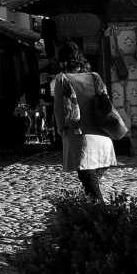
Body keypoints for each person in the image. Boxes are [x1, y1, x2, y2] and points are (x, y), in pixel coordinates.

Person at [52, 41, 116, 201]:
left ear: (62, 61)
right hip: (103, 138)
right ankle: (92, 208)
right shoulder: (95, 77)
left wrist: (61, 130)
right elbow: (106, 104)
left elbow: (59, 110)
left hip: (80, 137)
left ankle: (100, 212)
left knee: (90, 184)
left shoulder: (62, 79)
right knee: (91, 181)